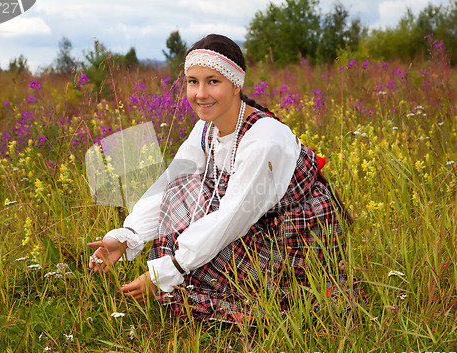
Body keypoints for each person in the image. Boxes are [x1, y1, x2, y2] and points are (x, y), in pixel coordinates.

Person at [88, 34, 364, 322]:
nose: (200, 93)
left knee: (192, 254)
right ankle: (192, 283)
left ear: (236, 84)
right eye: (193, 82)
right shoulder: (206, 128)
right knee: (181, 189)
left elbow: (232, 217)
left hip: (292, 243)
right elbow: (171, 183)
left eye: (213, 81)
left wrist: (171, 268)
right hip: (254, 224)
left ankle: (268, 302)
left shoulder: (263, 139)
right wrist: (126, 237)